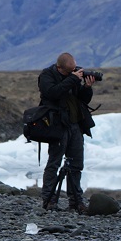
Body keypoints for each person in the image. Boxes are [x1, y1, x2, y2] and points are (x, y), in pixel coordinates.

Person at [37, 52, 97, 212]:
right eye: (68, 72)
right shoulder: (47, 75)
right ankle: (49, 200)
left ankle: (76, 201)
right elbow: (52, 93)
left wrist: (86, 87)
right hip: (57, 126)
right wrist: (73, 79)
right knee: (54, 163)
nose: (72, 74)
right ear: (59, 67)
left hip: (75, 124)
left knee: (76, 164)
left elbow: (82, 100)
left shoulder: (73, 76)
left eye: (73, 71)